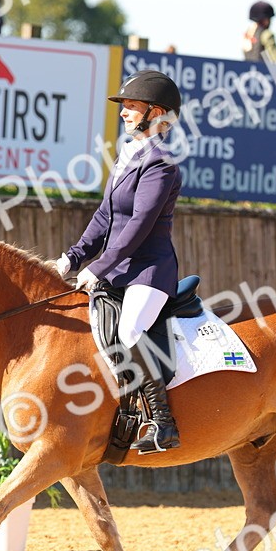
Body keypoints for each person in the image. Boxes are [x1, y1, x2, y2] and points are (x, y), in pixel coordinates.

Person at [55, 71, 185, 453]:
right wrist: (72, 258)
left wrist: (98, 268)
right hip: (120, 270)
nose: (124, 113)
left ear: (155, 112)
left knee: (129, 331)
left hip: (149, 271)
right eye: (124, 106)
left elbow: (139, 228)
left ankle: (163, 423)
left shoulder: (161, 165)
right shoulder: (129, 156)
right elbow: (105, 219)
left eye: (131, 106)